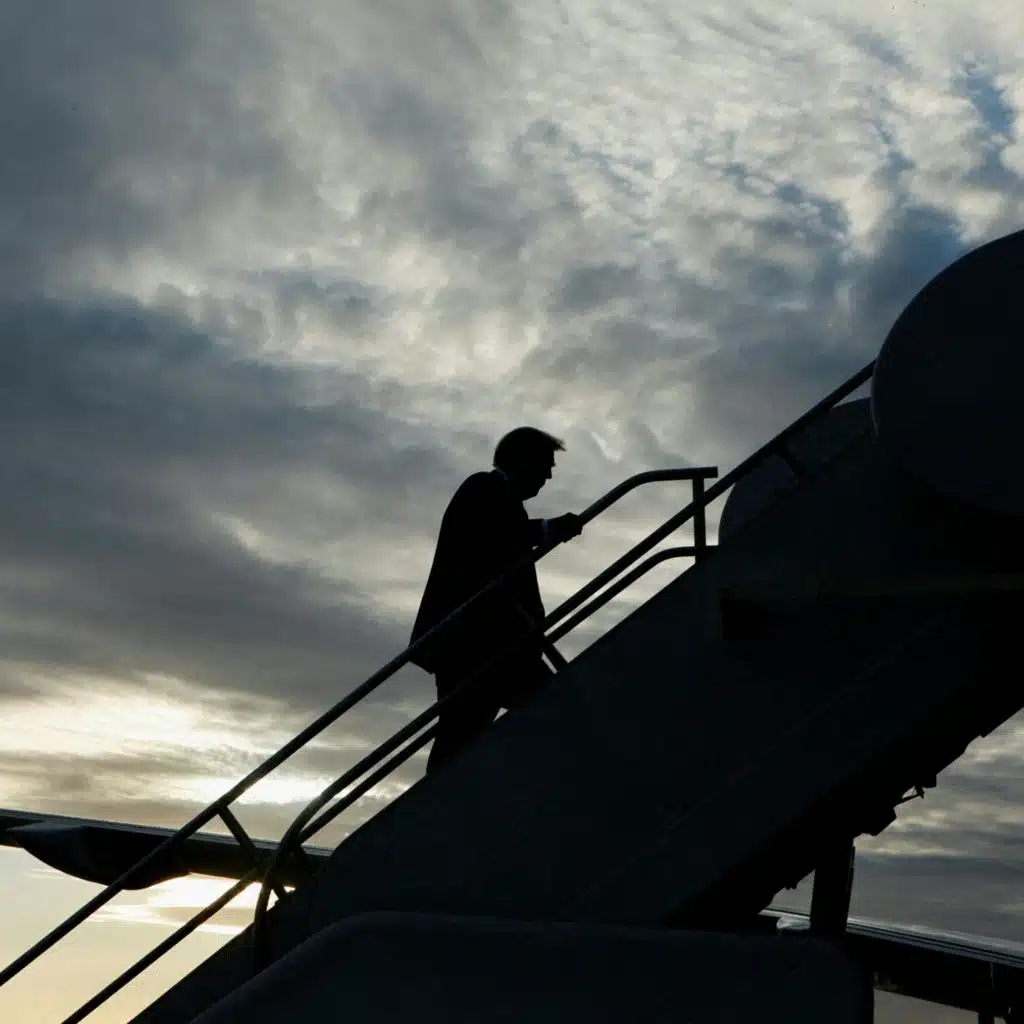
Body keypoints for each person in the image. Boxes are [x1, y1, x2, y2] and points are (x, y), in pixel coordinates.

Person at [410, 427, 584, 774]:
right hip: (475, 648)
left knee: (464, 737)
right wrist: (547, 529)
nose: (549, 476)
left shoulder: (501, 502)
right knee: (463, 737)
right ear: (522, 461)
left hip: (494, 647)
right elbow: (492, 538)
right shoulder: (481, 489)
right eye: (545, 466)